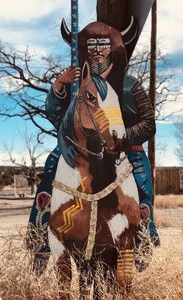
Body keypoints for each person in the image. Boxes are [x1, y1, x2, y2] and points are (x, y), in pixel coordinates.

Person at [26, 21, 160, 274]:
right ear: (85, 49)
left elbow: (148, 123)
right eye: (92, 45)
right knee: (52, 166)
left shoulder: (130, 84)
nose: (97, 51)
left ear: (113, 49)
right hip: (81, 152)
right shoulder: (75, 84)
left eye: (103, 45)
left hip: (125, 148)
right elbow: (56, 117)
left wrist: (120, 137)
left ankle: (143, 240)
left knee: (142, 189)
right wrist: (59, 86)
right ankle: (41, 240)